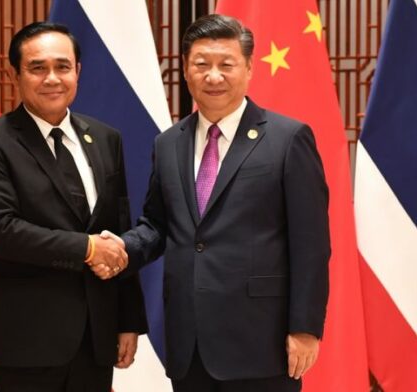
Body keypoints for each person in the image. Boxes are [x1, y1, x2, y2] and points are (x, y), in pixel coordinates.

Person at [111, 14, 330, 392]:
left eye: (226, 64)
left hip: (261, 341)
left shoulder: (287, 138)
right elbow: (157, 224)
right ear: (185, 70)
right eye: (202, 64)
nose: (213, 76)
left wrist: (305, 327)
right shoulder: (168, 143)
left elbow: (311, 244)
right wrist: (120, 248)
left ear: (248, 68)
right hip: (188, 340)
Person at [0, 21, 147, 391]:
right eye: (38, 68)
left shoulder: (105, 139)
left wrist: (128, 320)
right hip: (28, 341)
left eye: (62, 67)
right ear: (13, 73)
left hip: (96, 338)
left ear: (77, 72)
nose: (52, 78)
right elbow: (1, 232)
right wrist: (88, 247)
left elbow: (119, 228)